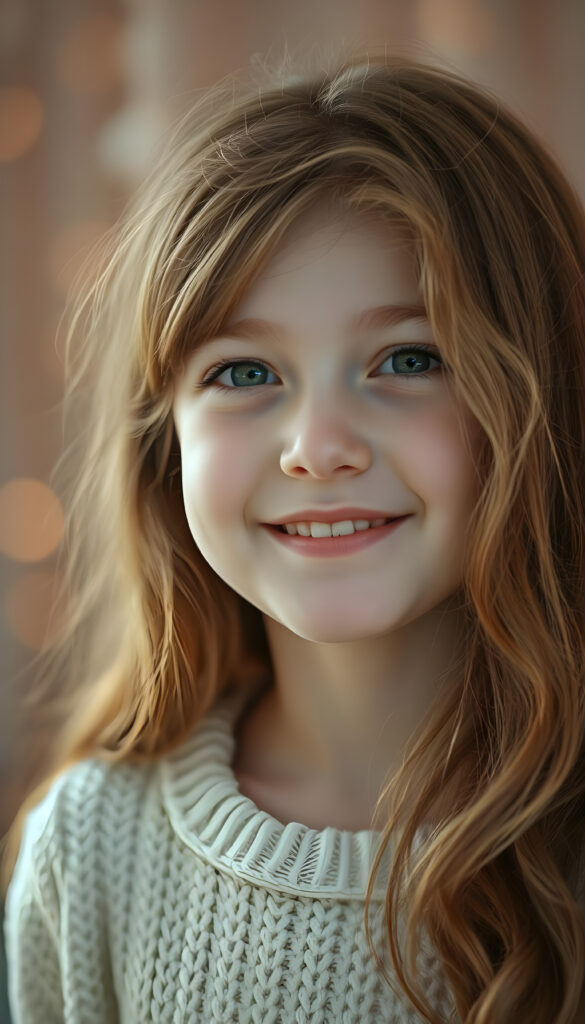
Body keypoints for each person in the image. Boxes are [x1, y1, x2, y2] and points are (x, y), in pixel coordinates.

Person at [2, 50, 585, 1024]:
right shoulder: (94, 849)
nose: (317, 448)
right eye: (243, 372)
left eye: (408, 357)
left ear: (550, 393)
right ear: (164, 444)